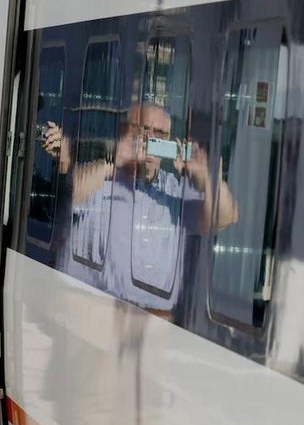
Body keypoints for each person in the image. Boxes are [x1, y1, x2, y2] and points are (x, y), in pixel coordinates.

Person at [58, 102, 238, 312]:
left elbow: (225, 217)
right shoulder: (104, 174)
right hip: (90, 307)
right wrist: (115, 159)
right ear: (124, 132)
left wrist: (207, 179)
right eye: (142, 130)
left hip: (152, 320)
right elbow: (71, 193)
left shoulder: (174, 190)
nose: (151, 138)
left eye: (160, 133)